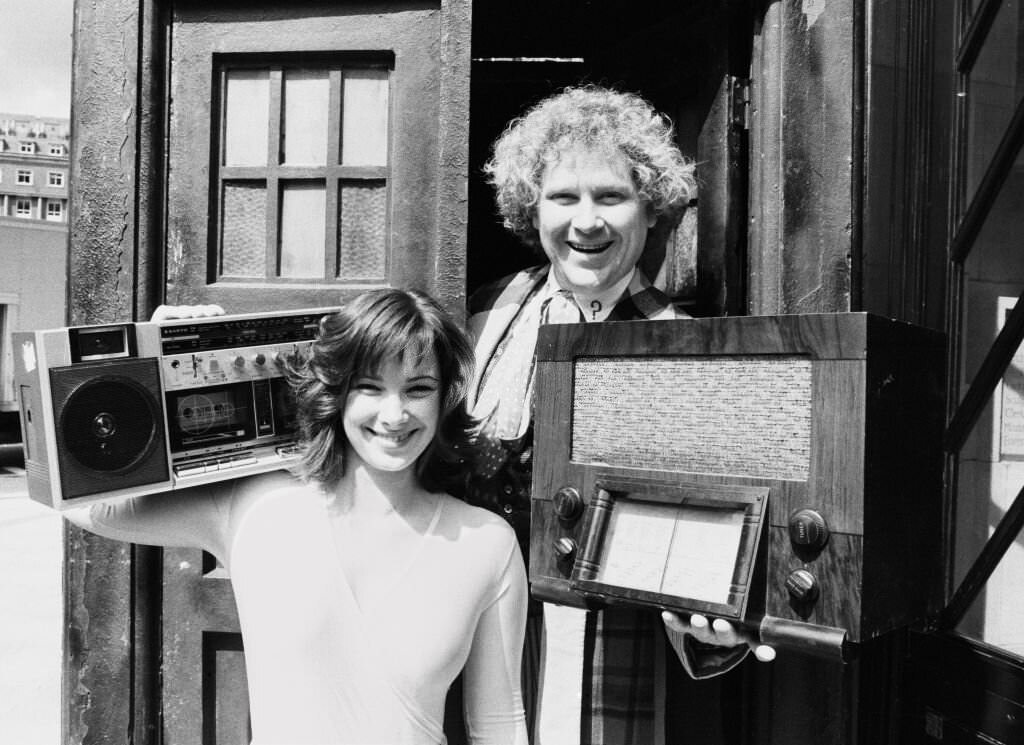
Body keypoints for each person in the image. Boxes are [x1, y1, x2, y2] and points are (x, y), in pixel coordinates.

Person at [67, 289, 529, 745]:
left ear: (444, 396)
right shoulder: (257, 507)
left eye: (418, 389)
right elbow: (82, 503)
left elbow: (500, 727)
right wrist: (156, 369)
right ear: (336, 392)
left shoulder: (486, 543)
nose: (395, 414)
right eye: (369, 386)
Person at [464, 84, 774, 745]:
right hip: (484, 632)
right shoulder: (487, 315)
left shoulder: (689, 347)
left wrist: (713, 623)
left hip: (616, 655)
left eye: (611, 196)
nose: (587, 221)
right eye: (563, 197)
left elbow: (714, 537)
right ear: (532, 205)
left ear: (649, 207)